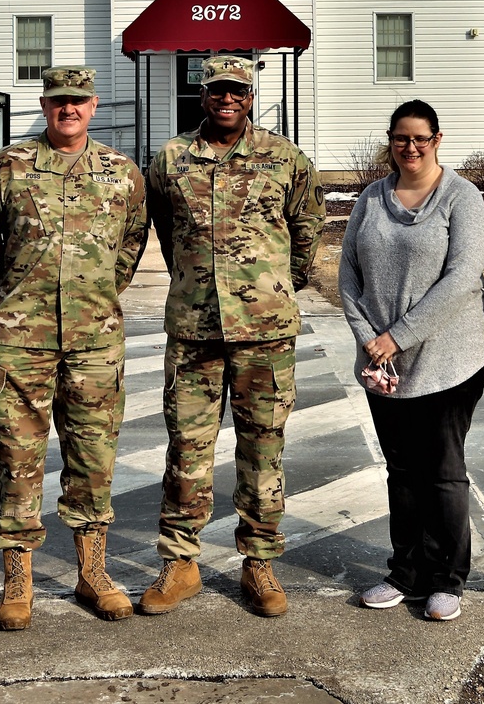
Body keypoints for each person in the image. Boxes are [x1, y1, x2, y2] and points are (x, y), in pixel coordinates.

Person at [138, 54, 325, 618]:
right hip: (194, 330)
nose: (227, 99)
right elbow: (167, 234)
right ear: (203, 94)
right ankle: (180, 562)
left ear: (250, 95)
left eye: (238, 91)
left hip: (264, 333)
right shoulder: (171, 159)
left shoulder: (286, 159)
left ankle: (259, 561)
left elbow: (306, 231)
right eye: (217, 89)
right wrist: (197, 281)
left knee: (263, 449)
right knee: (186, 450)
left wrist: (272, 288)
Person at [0, 65, 148, 628]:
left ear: (93, 106)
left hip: (95, 338)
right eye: (59, 100)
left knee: (93, 458)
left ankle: (92, 572)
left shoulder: (121, 172)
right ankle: (17, 579)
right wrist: (17, 297)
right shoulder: (8, 167)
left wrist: (94, 295)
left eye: (79, 100)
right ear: (44, 104)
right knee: (17, 457)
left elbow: (130, 246)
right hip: (24, 339)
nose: (69, 109)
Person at [338, 99, 484, 623]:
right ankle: (405, 574)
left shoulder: (461, 197)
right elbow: (348, 276)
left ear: (437, 139)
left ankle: (447, 579)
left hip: (449, 360)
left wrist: (397, 336)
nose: (410, 147)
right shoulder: (371, 198)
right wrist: (371, 340)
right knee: (402, 472)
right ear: (391, 141)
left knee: (443, 471)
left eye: (420, 139)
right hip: (384, 362)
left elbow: (461, 280)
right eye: (401, 138)